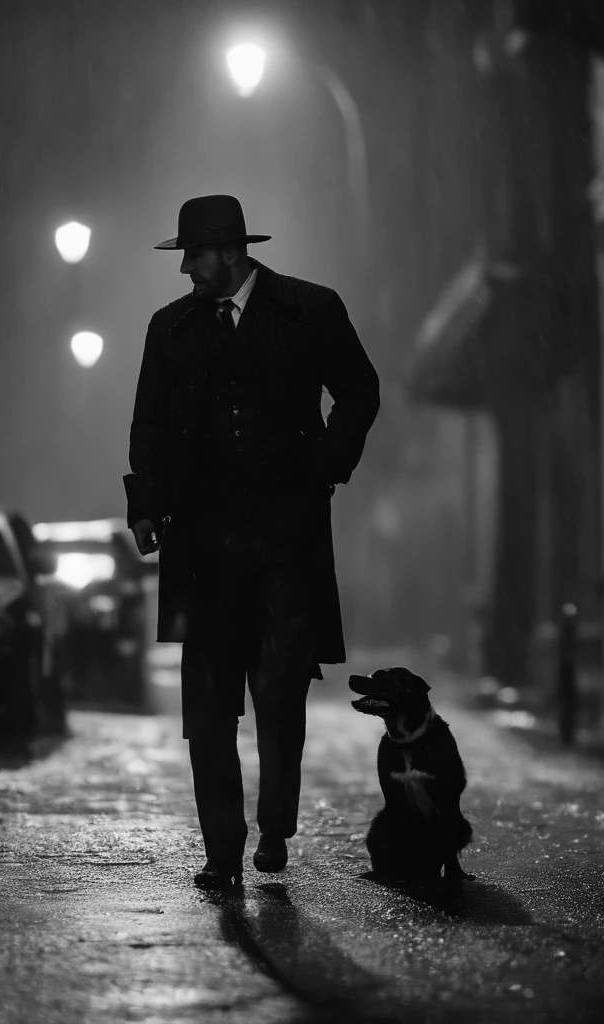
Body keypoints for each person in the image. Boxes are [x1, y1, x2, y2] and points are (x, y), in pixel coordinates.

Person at [124, 194, 380, 889]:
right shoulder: (169, 330)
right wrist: (145, 507)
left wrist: (330, 459)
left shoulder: (310, 309)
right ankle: (221, 849)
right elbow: (147, 427)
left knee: (280, 687)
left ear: (231, 253)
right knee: (207, 704)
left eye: (195, 255)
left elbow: (359, 388)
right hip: (201, 544)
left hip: (287, 539)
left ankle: (273, 825)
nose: (186, 269)